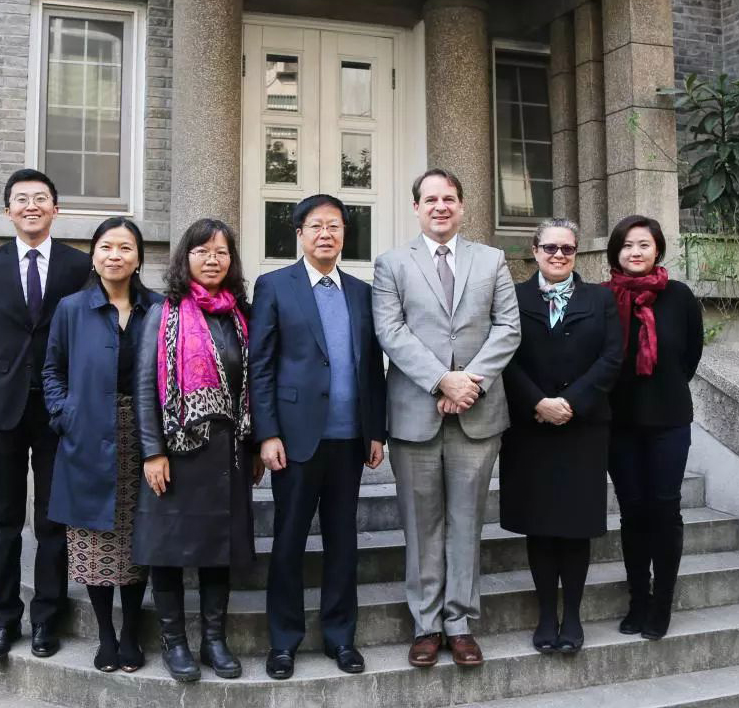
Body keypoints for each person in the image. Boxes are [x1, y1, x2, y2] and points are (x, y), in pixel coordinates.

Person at [372, 168, 520, 668]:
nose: (440, 206)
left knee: (466, 521)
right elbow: (391, 332)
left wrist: (468, 383)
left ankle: (459, 623)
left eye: (449, 198)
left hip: (477, 414)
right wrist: (441, 381)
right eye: (431, 199)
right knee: (421, 525)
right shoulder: (392, 263)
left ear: (462, 206)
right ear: (416, 207)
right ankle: (426, 624)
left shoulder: (492, 260)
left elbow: (508, 327)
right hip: (415, 414)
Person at [249, 194, 387, 680]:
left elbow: (372, 367)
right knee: (288, 540)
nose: (326, 233)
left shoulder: (362, 292)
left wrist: (376, 431)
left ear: (345, 234)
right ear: (300, 234)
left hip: (349, 440)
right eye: (316, 225)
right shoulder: (274, 286)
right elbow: (260, 366)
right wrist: (267, 433)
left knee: (343, 541)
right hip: (295, 439)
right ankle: (283, 641)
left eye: (334, 226)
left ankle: (340, 637)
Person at [0, 168, 91, 662]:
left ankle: (47, 619)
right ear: (8, 211)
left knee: (53, 519)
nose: (30, 206)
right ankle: (2, 620)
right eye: (21, 199)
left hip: (59, 408)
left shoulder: (79, 265)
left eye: (40, 198)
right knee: (3, 518)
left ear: (56, 209)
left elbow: (90, 333)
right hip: (1, 406)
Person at [131, 218, 263, 682]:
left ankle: (213, 641)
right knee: (167, 549)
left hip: (227, 454)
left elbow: (252, 386)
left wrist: (253, 448)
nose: (212, 260)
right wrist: (152, 452)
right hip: (176, 452)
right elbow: (144, 387)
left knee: (217, 550)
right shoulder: (163, 313)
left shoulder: (240, 316)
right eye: (202, 251)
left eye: (221, 252)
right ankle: (175, 643)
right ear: (185, 258)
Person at [499, 218, 623, 655]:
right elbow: (503, 357)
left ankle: (572, 615)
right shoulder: (513, 298)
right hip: (530, 427)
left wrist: (571, 401)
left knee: (574, 526)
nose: (558, 255)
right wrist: (538, 402)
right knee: (539, 525)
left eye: (567, 249)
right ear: (534, 251)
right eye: (549, 247)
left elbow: (612, 356)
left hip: (582, 427)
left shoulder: (600, 299)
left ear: (576, 253)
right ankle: (545, 616)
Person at [42, 217, 161, 673]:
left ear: (139, 258)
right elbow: (52, 369)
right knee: (93, 541)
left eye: (125, 247)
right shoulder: (72, 308)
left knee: (137, 538)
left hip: (144, 436)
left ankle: (131, 632)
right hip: (87, 433)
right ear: (93, 256)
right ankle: (106, 635)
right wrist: (65, 414)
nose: (116, 255)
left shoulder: (158, 308)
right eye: (107, 246)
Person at [602, 215, 704, 641]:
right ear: (616, 252)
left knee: (664, 509)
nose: (635, 252)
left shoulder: (680, 297)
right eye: (627, 245)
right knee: (632, 512)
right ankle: (638, 600)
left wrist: (662, 386)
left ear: (657, 249)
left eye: (643, 244)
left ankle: (662, 602)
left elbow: (691, 355)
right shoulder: (603, 298)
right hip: (619, 423)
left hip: (669, 420)